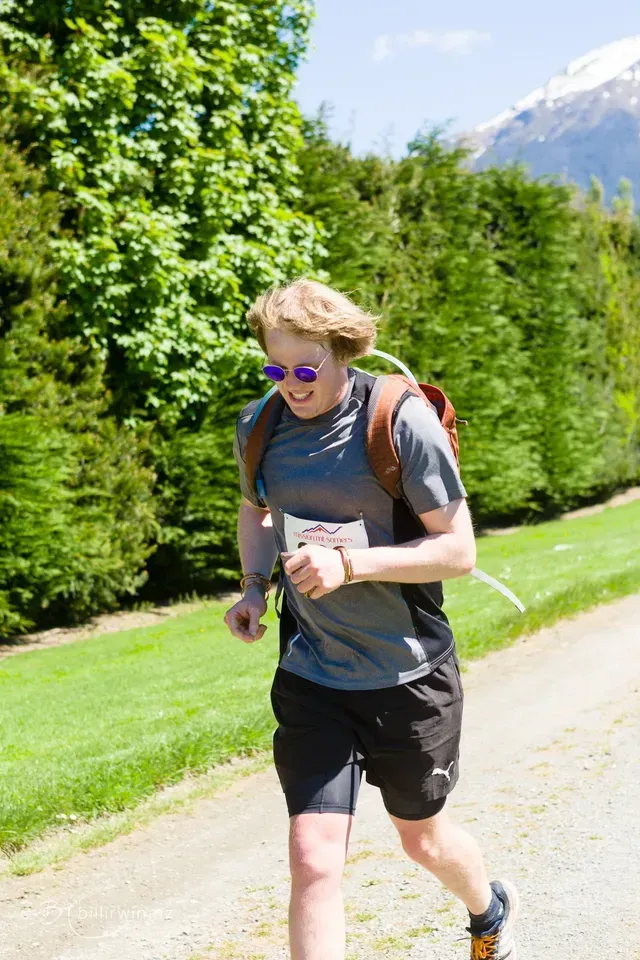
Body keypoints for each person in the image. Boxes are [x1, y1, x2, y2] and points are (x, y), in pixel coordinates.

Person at [225, 279, 519, 960]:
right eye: (276, 368)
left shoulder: (397, 422)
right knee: (313, 856)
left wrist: (350, 568)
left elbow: (458, 551)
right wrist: (252, 585)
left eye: (305, 370)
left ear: (343, 352)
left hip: (408, 675)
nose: (290, 385)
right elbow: (256, 510)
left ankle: (487, 909)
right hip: (313, 674)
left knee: (423, 839)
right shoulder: (260, 426)